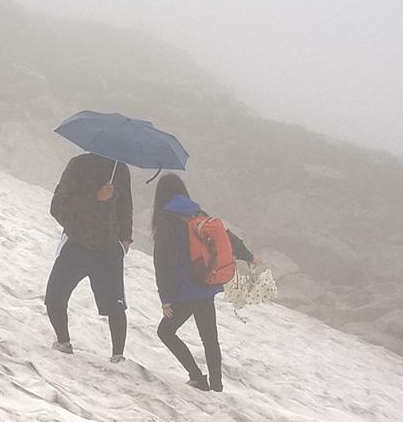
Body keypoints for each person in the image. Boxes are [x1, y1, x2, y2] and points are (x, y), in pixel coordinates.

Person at [151, 174, 255, 392]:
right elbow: (225, 238)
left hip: (186, 290)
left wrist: (166, 298)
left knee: (165, 332)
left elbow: (163, 262)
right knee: (210, 338)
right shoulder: (197, 213)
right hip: (207, 285)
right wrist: (248, 255)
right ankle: (217, 386)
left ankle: (197, 377)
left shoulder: (166, 219)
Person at [46, 152, 132, 361]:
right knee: (55, 297)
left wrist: (126, 238)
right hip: (77, 243)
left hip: (109, 249)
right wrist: (95, 197)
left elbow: (125, 206)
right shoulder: (79, 164)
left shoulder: (120, 168)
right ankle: (64, 342)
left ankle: (118, 357)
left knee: (115, 307)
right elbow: (59, 205)